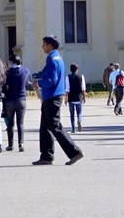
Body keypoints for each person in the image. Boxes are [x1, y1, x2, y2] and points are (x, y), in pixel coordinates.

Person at [31, 35, 84, 166]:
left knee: (55, 126)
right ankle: (46, 156)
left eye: (44, 44)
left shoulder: (52, 59)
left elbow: (51, 80)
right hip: (50, 96)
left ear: (50, 45)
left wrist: (38, 83)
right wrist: (40, 75)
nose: (42, 46)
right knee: (45, 127)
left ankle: (74, 152)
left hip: (52, 96)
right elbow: (49, 75)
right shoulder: (56, 57)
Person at [4, 54, 31, 151]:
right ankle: (21, 144)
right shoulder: (25, 70)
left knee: (10, 124)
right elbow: (28, 73)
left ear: (11, 62)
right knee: (20, 123)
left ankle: (10, 145)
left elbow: (4, 84)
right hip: (21, 100)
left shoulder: (8, 72)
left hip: (10, 100)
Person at [64, 63, 86, 133]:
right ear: (77, 69)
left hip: (71, 98)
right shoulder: (81, 76)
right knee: (79, 112)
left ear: (70, 69)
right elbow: (83, 88)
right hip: (79, 97)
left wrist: (66, 99)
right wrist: (84, 97)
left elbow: (67, 89)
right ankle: (79, 120)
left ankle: (73, 129)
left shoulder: (68, 77)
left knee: (72, 114)